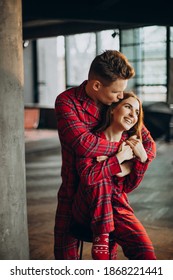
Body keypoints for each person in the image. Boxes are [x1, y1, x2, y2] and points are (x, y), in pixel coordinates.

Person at [54, 50, 156, 260]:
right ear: (97, 85)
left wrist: (127, 164)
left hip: (112, 196)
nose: (121, 96)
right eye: (116, 92)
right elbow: (84, 145)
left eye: (123, 92)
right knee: (65, 261)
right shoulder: (67, 102)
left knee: (112, 259)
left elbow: (148, 145)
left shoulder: (118, 105)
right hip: (74, 192)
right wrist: (123, 153)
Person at [72, 92, 156, 260]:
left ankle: (103, 234)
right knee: (99, 177)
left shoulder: (130, 144)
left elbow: (128, 186)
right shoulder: (91, 140)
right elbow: (88, 177)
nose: (133, 115)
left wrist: (142, 159)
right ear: (112, 110)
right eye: (128, 107)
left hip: (117, 207)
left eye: (137, 112)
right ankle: (102, 233)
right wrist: (118, 160)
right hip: (86, 208)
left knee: (146, 253)